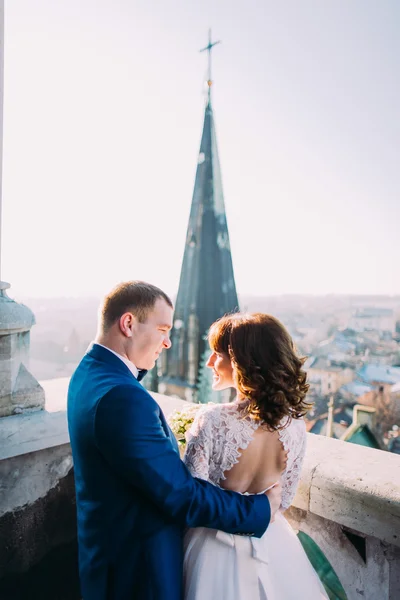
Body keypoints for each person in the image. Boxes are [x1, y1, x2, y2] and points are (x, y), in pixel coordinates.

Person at [67, 281, 282, 600]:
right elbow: (181, 496)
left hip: (107, 557)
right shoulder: (122, 398)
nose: (168, 342)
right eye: (163, 329)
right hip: (138, 573)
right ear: (128, 324)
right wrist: (260, 509)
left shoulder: (88, 373)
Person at [183, 313, 329, 599]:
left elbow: (192, 496)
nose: (210, 363)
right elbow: (282, 501)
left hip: (212, 546)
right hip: (272, 541)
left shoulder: (212, 420)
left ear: (241, 363)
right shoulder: (295, 426)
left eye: (216, 354)